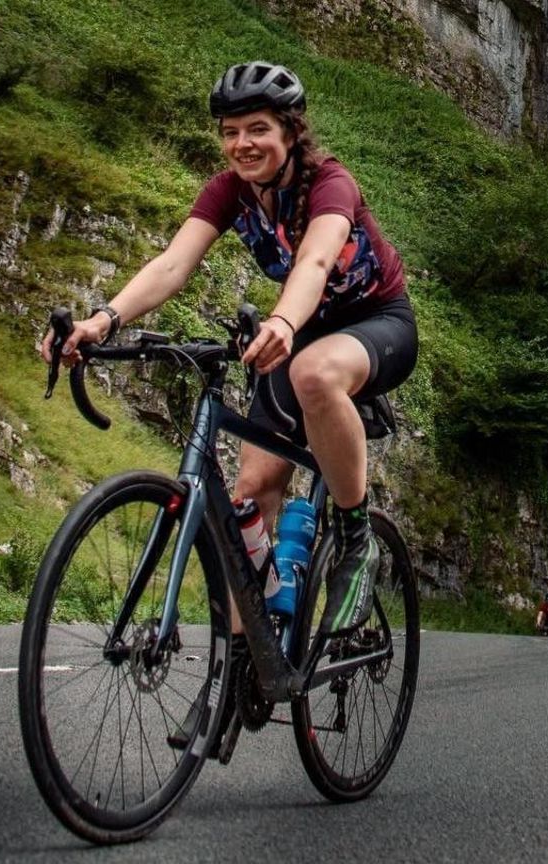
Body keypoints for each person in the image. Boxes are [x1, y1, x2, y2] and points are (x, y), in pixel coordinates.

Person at [40, 61, 417, 636]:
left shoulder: (330, 184)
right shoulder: (229, 193)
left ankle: (356, 538)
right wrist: (104, 320)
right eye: (230, 132)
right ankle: (240, 668)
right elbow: (173, 263)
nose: (242, 144)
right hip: (297, 326)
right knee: (249, 495)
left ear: (291, 131)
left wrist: (286, 322)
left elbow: (316, 259)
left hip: (377, 321)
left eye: (258, 129)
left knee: (314, 374)